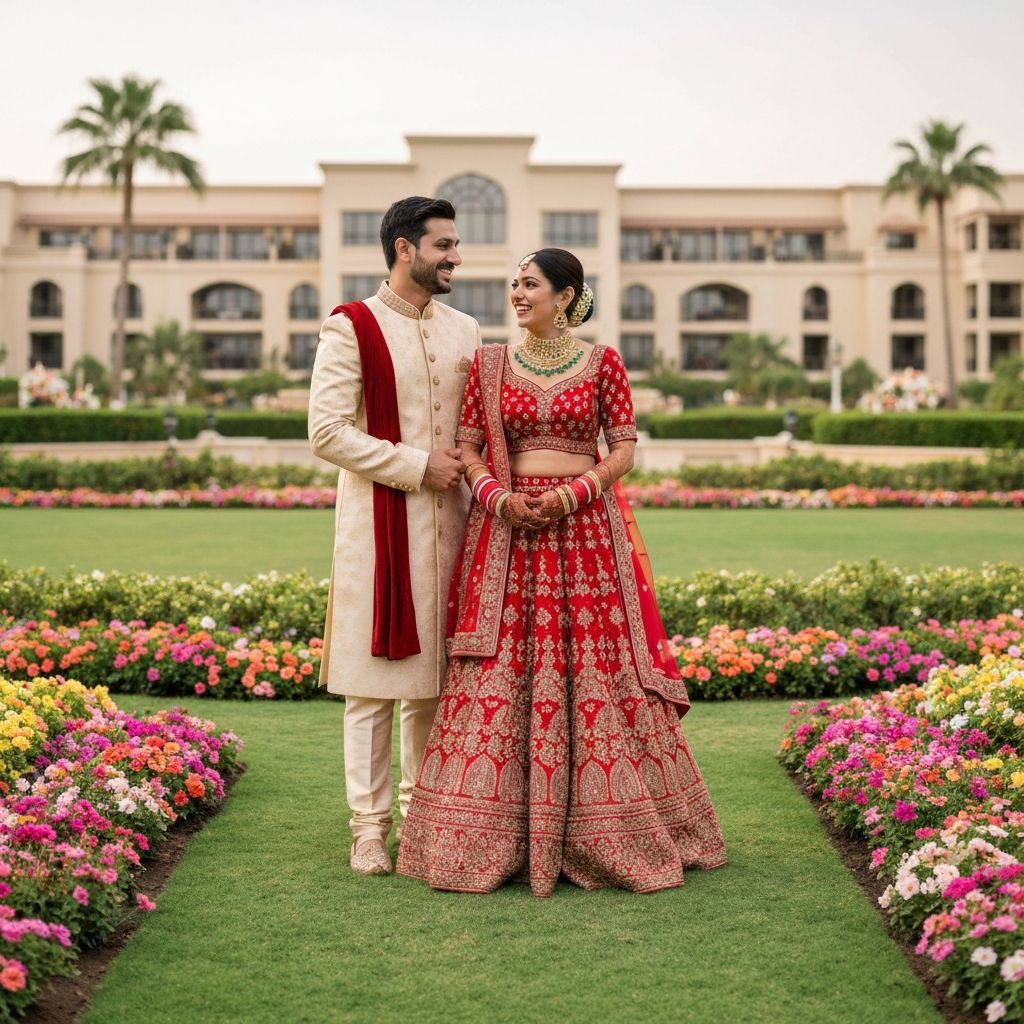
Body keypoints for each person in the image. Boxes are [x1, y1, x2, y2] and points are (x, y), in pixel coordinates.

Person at [397, 248, 726, 896]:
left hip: (584, 538)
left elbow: (625, 446)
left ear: (566, 295)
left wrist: (574, 493)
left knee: (597, 673)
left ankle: (609, 833)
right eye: (513, 284)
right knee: (505, 674)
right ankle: (487, 839)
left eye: (530, 284)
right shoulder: (489, 365)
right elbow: (467, 446)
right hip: (509, 538)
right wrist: (498, 498)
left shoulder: (603, 362)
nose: (517, 294)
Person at [308, 196, 481, 876]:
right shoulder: (352, 327)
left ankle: (424, 816)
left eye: (457, 244)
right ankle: (369, 828)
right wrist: (415, 466)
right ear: (405, 248)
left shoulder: (466, 330)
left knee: (434, 682)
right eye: (444, 245)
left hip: (457, 529)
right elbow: (327, 432)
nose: (456, 257)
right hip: (379, 530)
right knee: (373, 685)